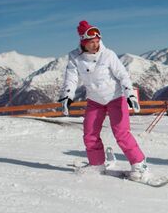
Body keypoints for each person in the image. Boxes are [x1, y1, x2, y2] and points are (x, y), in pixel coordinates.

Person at [59, 20, 149, 181]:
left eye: (97, 41)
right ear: (83, 42)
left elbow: (122, 75)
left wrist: (130, 94)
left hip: (115, 97)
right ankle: (96, 164)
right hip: (94, 100)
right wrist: (67, 96)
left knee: (121, 133)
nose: (95, 45)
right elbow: (71, 78)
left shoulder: (108, 55)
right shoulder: (74, 57)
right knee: (89, 134)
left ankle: (139, 164)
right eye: (91, 42)